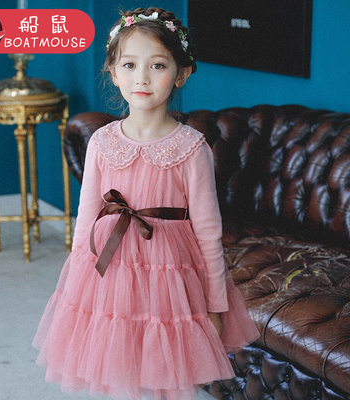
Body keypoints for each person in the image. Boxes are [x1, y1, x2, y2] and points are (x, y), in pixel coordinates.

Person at [33, 7, 259, 400]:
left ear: (181, 74)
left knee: (165, 370)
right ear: (113, 72)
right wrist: (75, 287)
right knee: (119, 360)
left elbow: (209, 233)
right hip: (112, 271)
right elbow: (86, 219)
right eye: (130, 65)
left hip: (169, 277)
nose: (142, 77)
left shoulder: (191, 148)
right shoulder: (102, 142)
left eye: (157, 65)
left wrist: (216, 306)